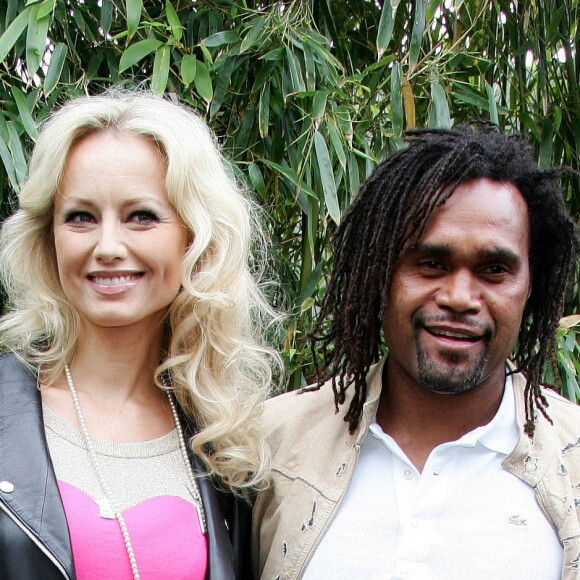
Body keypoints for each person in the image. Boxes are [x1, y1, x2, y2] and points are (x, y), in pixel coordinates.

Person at [253, 127, 580, 580]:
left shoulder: (573, 461)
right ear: (380, 273)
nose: (461, 296)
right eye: (431, 264)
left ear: (531, 287)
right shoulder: (271, 446)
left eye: (494, 269)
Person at [0, 91, 280, 580]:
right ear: (50, 238)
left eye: (142, 216)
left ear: (194, 238)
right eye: (81, 217)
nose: (108, 246)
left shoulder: (225, 443)